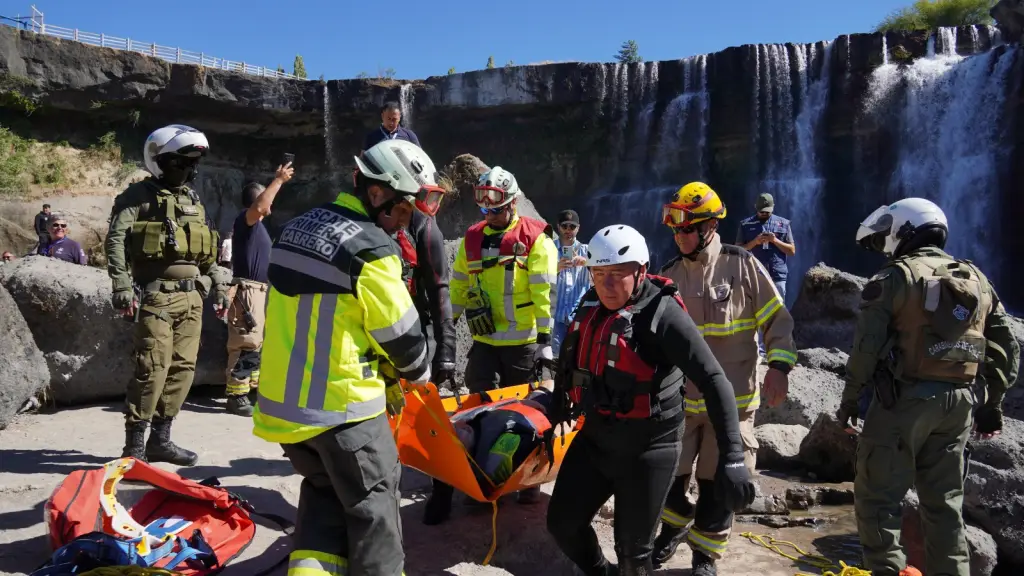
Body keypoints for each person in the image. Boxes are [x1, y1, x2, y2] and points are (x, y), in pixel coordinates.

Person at [252, 139, 447, 576]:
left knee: (324, 500)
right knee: (374, 515)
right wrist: (422, 367)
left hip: (287, 415)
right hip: (345, 414)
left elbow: (323, 316)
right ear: (376, 194)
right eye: (402, 208)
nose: (406, 220)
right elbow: (406, 346)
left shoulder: (294, 228)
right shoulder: (373, 250)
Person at [544, 224, 756, 576]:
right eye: (598, 274)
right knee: (562, 524)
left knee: (634, 553)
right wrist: (557, 404)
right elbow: (571, 360)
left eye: (617, 274)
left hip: (649, 449)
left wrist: (733, 456)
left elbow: (714, 379)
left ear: (641, 271)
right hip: (597, 438)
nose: (606, 285)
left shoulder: (664, 313)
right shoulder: (591, 302)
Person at [838, 198, 1020, 576]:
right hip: (958, 406)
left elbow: (865, 349)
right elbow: (1007, 348)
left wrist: (850, 401)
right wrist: (990, 405)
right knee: (945, 506)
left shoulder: (894, 278)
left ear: (903, 229)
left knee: (878, 501)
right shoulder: (976, 278)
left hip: (902, 402)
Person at [651, 182, 796, 575]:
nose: (679, 236)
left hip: (731, 407)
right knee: (664, 480)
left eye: (687, 228)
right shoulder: (666, 276)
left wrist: (780, 367)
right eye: (676, 229)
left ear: (710, 227)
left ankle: (704, 558)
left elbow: (777, 320)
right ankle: (675, 524)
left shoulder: (743, 266)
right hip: (678, 406)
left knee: (720, 487)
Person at [426, 165, 557, 524]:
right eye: (484, 208)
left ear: (513, 203)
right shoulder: (471, 238)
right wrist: (447, 331)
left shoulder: (535, 239)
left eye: (496, 208)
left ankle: (529, 481)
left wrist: (546, 341)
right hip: (484, 340)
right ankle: (480, 478)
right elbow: (457, 286)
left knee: (526, 414)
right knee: (476, 408)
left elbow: (544, 291)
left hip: (523, 342)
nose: (489, 215)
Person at [105, 124, 232, 466]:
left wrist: (218, 284)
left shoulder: (194, 201)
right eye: (182, 162)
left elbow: (209, 256)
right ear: (161, 161)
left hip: (193, 300)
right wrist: (120, 284)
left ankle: (161, 439)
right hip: (157, 298)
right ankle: (134, 447)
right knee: (152, 367)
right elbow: (116, 240)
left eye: (193, 164)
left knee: (182, 369)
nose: (189, 170)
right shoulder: (138, 197)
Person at [223, 164, 294, 416]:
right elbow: (262, 207)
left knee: (255, 342)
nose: (271, 203)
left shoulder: (258, 227)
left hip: (259, 290)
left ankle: (250, 390)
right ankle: (236, 395)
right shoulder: (246, 220)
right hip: (247, 291)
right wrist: (278, 181)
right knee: (245, 341)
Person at [390, 209, 457, 389]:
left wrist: (447, 348)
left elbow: (439, 289)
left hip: (416, 328)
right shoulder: (365, 230)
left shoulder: (423, 227)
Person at [735, 193, 795, 302]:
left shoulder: (784, 224)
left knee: (779, 311)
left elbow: (791, 251)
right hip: (754, 276)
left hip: (777, 276)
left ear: (773, 208)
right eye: (761, 211)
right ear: (756, 207)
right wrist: (755, 242)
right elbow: (737, 251)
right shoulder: (745, 225)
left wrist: (775, 240)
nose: (764, 214)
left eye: (767, 212)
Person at [552, 209, 590, 354]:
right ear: (558, 227)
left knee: (577, 358)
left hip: (579, 316)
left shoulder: (586, 250)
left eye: (572, 226)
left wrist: (587, 263)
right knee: (554, 359)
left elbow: (603, 271)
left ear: (578, 228)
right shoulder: (549, 248)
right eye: (565, 226)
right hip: (555, 316)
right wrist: (555, 268)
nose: (568, 230)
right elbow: (536, 274)